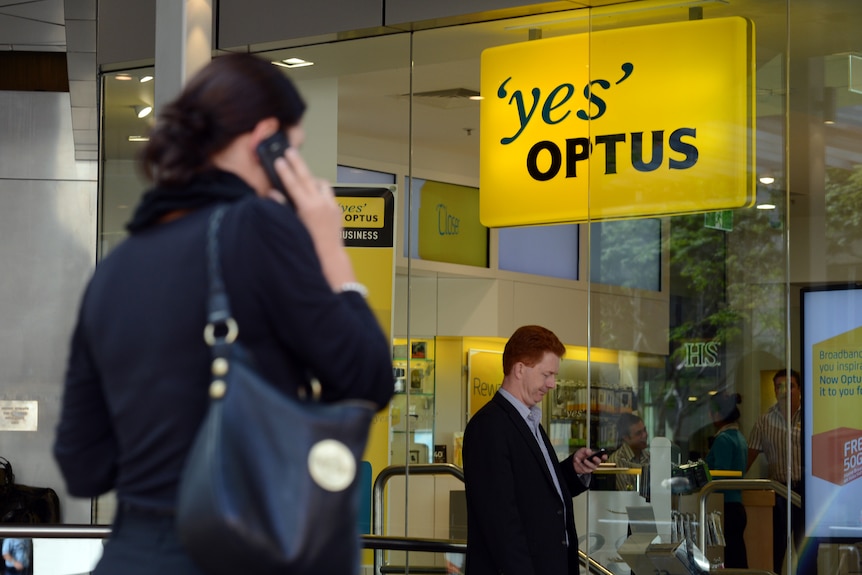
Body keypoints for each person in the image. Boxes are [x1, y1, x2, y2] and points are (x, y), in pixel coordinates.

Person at [52, 53, 394, 575]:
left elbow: (84, 468)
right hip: (237, 552)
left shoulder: (114, 269)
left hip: (129, 555)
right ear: (266, 139)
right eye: (295, 151)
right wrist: (330, 248)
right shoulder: (257, 227)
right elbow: (367, 378)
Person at [462, 325, 606, 575]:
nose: (552, 384)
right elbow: (500, 523)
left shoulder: (528, 422)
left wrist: (573, 470)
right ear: (519, 369)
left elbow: (536, 493)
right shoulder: (489, 427)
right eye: (546, 374)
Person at [747, 368, 809, 575]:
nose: (784, 391)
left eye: (790, 386)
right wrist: (730, 481)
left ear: (799, 389)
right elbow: (749, 457)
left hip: (805, 491)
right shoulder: (765, 422)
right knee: (775, 548)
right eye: (779, 387)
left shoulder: (811, 417)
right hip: (778, 492)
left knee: (806, 549)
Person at [705, 392, 747, 569]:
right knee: (737, 556)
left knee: (729, 560)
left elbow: (719, 477)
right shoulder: (739, 437)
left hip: (726, 507)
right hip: (736, 506)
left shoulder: (723, 440)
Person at [608, 413, 649, 491]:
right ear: (626, 438)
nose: (645, 435)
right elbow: (627, 496)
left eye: (645, 430)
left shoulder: (649, 456)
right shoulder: (617, 461)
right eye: (639, 433)